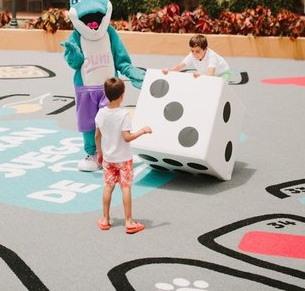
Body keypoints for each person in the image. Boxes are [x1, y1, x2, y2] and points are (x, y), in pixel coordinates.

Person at [94, 77, 152, 234]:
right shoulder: (123, 114)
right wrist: (142, 131)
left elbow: (97, 136)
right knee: (125, 187)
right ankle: (129, 222)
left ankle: (105, 219)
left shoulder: (101, 113)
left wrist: (99, 153)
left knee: (108, 186)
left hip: (108, 158)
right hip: (124, 159)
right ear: (122, 95)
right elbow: (127, 137)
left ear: (106, 94)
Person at [163, 33, 232, 80]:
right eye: (192, 50)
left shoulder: (212, 56)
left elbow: (211, 75)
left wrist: (201, 76)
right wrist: (169, 70)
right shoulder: (192, 55)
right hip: (209, 74)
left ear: (205, 49)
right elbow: (179, 66)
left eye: (197, 51)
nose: (194, 54)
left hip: (224, 74)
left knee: (214, 87)